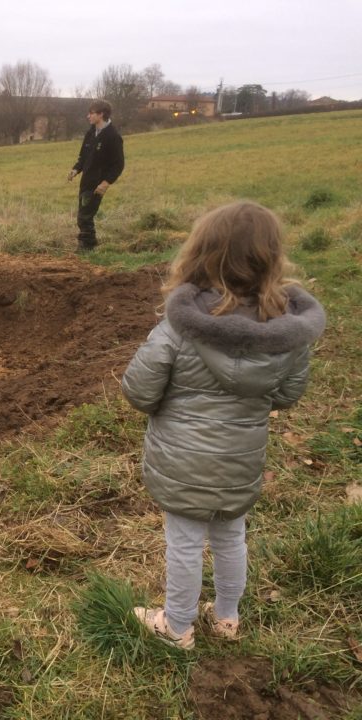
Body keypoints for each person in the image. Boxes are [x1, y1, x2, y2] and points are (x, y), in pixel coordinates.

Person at [121, 201, 326, 650]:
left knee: (185, 542)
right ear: (271, 258)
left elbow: (139, 391)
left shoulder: (179, 329)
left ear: (201, 254)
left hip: (182, 464)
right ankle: (227, 617)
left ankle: (176, 626)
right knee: (232, 535)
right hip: (240, 461)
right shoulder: (286, 334)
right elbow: (288, 395)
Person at [67, 100, 124, 252]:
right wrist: (76, 169)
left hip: (97, 184)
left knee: (85, 215)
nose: (88, 116)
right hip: (86, 181)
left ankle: (87, 246)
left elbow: (118, 165)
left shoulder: (113, 136)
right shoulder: (91, 132)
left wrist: (106, 183)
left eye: (91, 113)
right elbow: (84, 155)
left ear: (101, 114)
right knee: (83, 214)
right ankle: (89, 244)